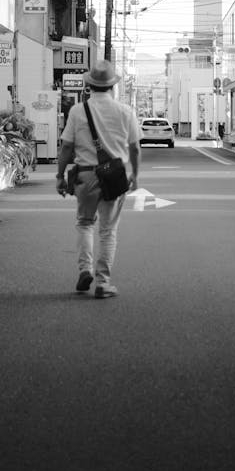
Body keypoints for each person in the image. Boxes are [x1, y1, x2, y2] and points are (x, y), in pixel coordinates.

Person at [56, 60, 140, 299]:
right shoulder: (125, 111)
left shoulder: (77, 111)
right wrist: (135, 175)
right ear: (112, 86)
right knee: (108, 230)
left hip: (85, 174)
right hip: (115, 175)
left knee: (84, 223)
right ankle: (103, 282)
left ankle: (84, 269)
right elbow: (134, 148)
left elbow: (66, 147)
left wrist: (60, 176)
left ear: (89, 86)